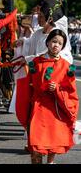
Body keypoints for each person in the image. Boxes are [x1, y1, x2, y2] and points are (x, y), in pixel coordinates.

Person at [16, 29, 79, 164]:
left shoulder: (68, 67)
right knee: (36, 144)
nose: (56, 45)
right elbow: (28, 86)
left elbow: (71, 91)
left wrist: (57, 89)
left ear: (63, 47)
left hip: (56, 110)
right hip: (38, 108)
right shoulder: (35, 63)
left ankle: (50, 162)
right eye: (54, 41)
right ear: (47, 42)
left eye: (60, 43)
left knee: (53, 141)